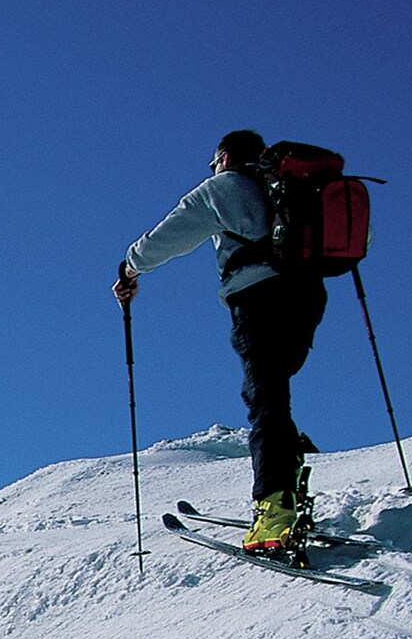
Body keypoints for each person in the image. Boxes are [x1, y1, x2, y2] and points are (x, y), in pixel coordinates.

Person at [114, 129, 327, 555]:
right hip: (307, 296)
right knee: (273, 392)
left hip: (258, 299)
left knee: (265, 398)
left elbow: (170, 235)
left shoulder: (224, 187)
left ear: (225, 157)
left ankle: (274, 506)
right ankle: (286, 463)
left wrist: (129, 268)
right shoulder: (296, 187)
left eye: (213, 164)